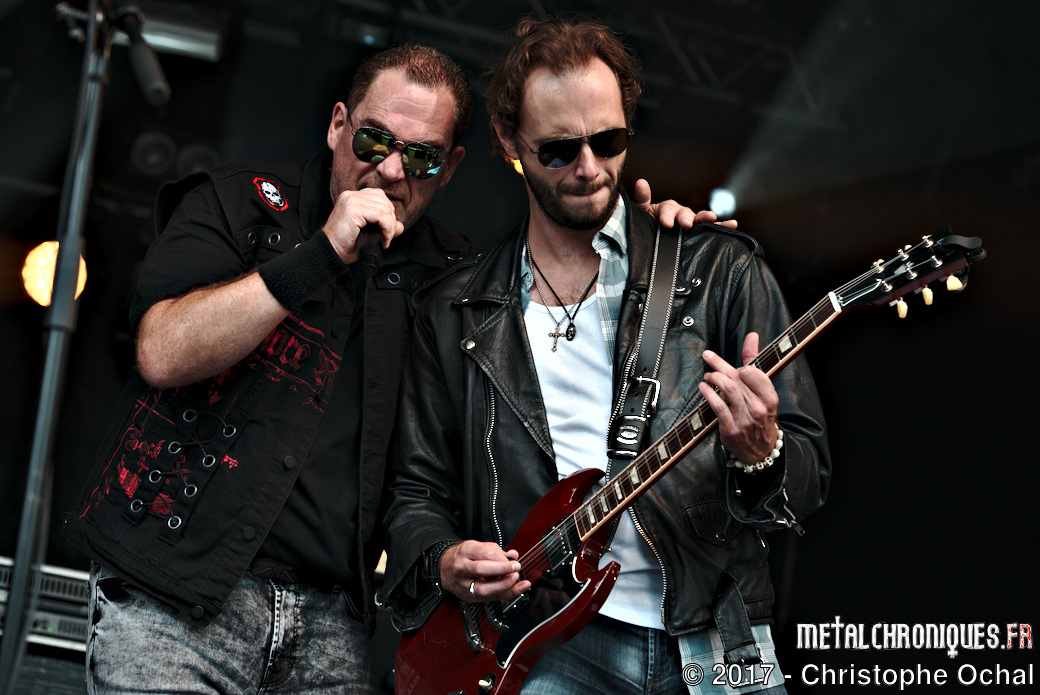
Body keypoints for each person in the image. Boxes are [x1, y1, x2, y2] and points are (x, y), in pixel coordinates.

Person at [64, 39, 711, 694]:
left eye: (422, 156)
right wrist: (322, 253)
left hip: (332, 626)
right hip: (175, 599)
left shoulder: (455, 283)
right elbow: (163, 352)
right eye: (374, 141)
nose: (393, 170)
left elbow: (547, 376)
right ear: (338, 125)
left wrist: (636, 256)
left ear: (449, 168)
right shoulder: (240, 205)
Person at [378, 17, 830, 695]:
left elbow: (808, 478)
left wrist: (762, 451)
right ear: (509, 140)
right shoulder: (455, 310)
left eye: (608, 140)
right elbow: (415, 491)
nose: (589, 168)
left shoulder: (718, 271)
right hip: (542, 639)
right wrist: (444, 559)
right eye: (559, 149)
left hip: (719, 631)